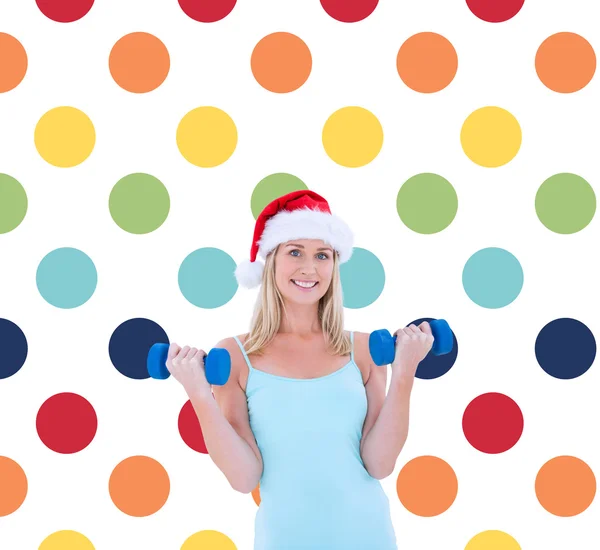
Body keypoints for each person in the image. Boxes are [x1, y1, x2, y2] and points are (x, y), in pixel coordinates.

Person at [166, 190, 434, 550]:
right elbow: (245, 478)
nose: (309, 268)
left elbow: (379, 464)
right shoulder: (234, 356)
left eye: (322, 255)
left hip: (368, 538)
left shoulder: (365, 350)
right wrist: (199, 394)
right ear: (271, 261)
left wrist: (404, 375)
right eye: (295, 252)